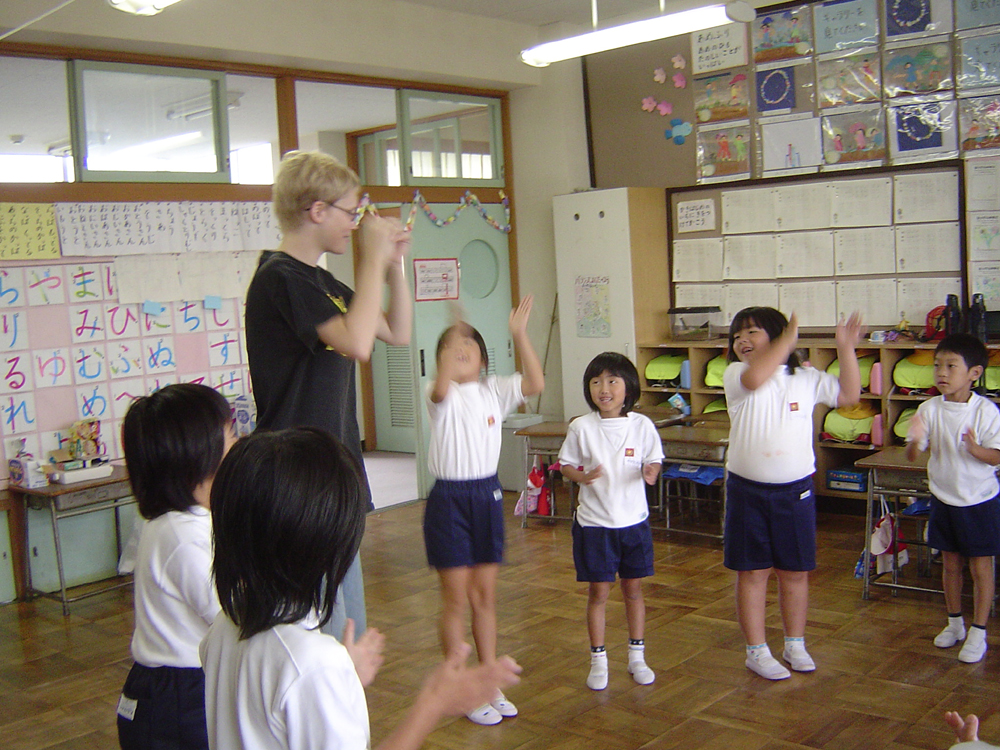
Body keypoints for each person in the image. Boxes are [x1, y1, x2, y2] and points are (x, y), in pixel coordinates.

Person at [202, 427, 522, 750]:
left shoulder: (225, 627)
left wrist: (345, 677)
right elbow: (301, 679)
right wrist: (434, 703)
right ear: (326, 547)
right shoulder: (314, 664)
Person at [245, 150, 412, 640]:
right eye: (351, 212)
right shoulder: (281, 277)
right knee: (322, 625)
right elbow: (358, 344)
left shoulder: (320, 280)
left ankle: (342, 708)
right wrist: (372, 259)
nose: (355, 224)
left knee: (348, 621)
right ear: (317, 210)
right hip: (298, 475)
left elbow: (396, 332)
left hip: (333, 466)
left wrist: (393, 266)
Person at [724, 307, 864, 680]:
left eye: (752, 332)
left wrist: (846, 349)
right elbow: (756, 378)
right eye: (737, 335)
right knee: (753, 573)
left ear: (774, 334)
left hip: (795, 491)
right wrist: (787, 338)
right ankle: (756, 650)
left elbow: (849, 394)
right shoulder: (737, 374)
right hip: (747, 490)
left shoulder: (806, 378)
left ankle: (795, 643)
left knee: (795, 572)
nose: (742, 340)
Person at [423, 297, 544, 725]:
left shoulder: (495, 390)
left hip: (487, 497)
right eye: (451, 349)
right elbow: (440, 387)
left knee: (484, 597)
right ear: (440, 360)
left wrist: (519, 334)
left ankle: (489, 683)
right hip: (449, 500)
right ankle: (460, 688)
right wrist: (451, 339)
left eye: (468, 347)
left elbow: (534, 381)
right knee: (455, 599)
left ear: (483, 358)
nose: (460, 353)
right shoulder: (440, 395)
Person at [116, 383, 236, 750]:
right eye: (231, 434)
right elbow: (231, 615)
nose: (238, 442)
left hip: (183, 686)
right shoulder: (181, 536)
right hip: (177, 694)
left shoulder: (190, 521)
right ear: (198, 454)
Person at [558, 352, 664, 692]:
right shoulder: (581, 426)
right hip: (594, 525)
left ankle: (637, 657)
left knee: (633, 591)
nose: (604, 389)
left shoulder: (642, 426)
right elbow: (565, 466)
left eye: (612, 381)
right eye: (596, 382)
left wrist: (651, 472)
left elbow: (654, 460)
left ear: (628, 387)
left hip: (633, 523)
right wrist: (581, 475)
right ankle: (598, 660)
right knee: (598, 592)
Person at [906, 334, 1000, 664]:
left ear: (974, 373)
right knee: (949, 563)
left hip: (978, 500)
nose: (941, 373)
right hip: (943, 498)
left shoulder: (985, 411)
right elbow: (913, 453)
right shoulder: (928, 408)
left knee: (980, 567)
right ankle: (955, 623)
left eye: (950, 366)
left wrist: (976, 450)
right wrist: (914, 443)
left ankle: (978, 631)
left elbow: (996, 456)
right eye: (937, 366)